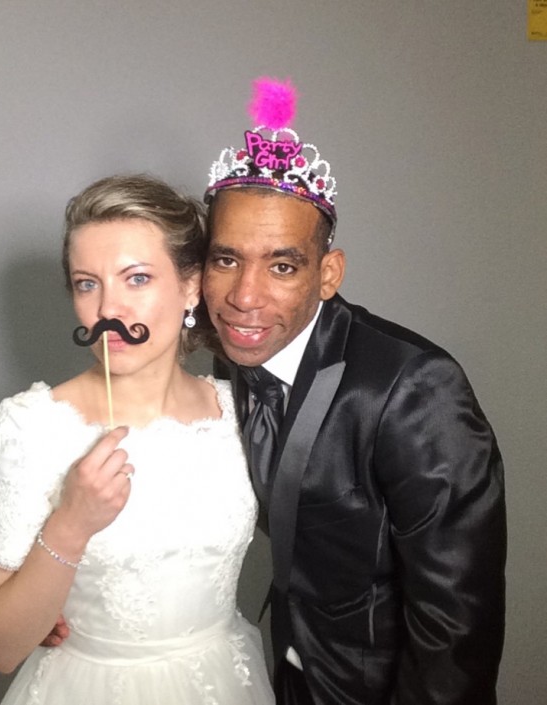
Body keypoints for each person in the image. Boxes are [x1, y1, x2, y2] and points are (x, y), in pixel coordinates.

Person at [201, 77, 506, 704]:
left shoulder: (416, 388)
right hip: (284, 664)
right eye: (226, 259)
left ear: (328, 274)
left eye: (282, 265)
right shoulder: (232, 354)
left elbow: (457, 624)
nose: (244, 296)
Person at [0, 174, 275, 705]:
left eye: (136, 279)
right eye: (88, 284)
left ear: (191, 286)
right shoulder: (30, 426)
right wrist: (69, 527)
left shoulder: (241, 411)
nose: (109, 311)